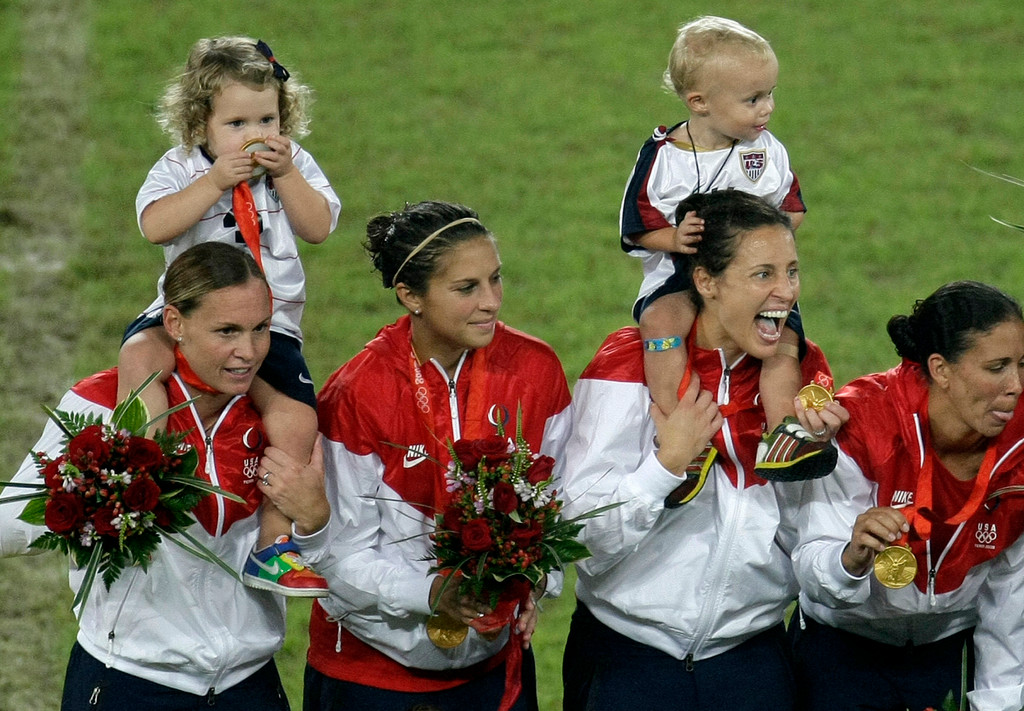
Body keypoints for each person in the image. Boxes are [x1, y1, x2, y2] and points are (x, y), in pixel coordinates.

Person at [0, 242, 331, 710]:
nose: (249, 351)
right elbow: (10, 527)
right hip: (128, 682)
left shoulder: (285, 418)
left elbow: (328, 562)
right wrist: (87, 497)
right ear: (175, 323)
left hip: (251, 685)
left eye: (260, 329)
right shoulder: (101, 406)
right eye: (226, 331)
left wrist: (315, 521)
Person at [561, 190, 847, 711]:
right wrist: (665, 466)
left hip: (752, 661)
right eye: (763, 274)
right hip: (628, 662)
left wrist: (850, 545)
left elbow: (814, 530)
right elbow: (580, 534)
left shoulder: (803, 377)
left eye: (792, 272)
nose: (786, 292)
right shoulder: (628, 366)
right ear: (707, 281)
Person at [300, 201, 572, 711]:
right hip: (372, 678)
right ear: (411, 296)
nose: (491, 301)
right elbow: (335, 558)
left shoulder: (535, 370)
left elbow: (557, 504)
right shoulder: (359, 393)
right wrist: (432, 593)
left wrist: (534, 578)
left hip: (494, 673)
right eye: (467, 288)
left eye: (495, 279)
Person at [119, 35, 341, 596]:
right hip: (187, 318)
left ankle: (273, 543)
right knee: (140, 355)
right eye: (237, 124)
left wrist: (289, 176)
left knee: (295, 416)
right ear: (200, 126)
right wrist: (214, 182)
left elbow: (318, 228)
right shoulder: (177, 167)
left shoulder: (295, 166)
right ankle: (142, 477)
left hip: (271, 327)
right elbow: (155, 226)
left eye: (268, 119)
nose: (256, 136)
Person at [790, 280, 1024, 711]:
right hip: (844, 650)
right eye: (997, 367)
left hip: (947, 650)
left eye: (1022, 365)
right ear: (941, 368)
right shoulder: (863, 420)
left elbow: (1011, 596)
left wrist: (998, 705)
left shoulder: (1020, 444)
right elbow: (810, 566)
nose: (1015, 385)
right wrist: (850, 559)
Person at [618, 17, 827, 480]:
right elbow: (636, 225)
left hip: (751, 280)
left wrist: (765, 252)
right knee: (661, 323)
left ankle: (785, 435)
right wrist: (674, 240)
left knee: (782, 342)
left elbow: (793, 209)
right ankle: (680, 436)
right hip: (681, 271)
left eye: (770, 93)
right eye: (753, 99)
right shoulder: (664, 157)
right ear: (699, 103)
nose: (767, 108)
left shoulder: (768, 151)